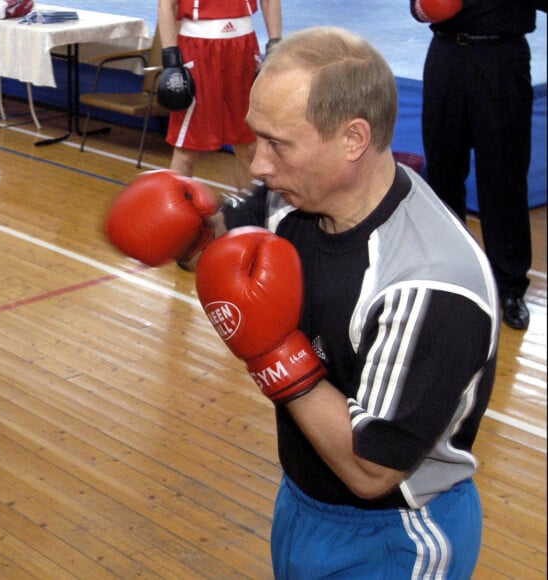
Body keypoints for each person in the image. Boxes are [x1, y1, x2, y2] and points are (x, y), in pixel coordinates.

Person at [106, 27, 500, 578]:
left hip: (396, 534)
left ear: (353, 139)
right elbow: (224, 253)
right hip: (302, 501)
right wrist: (189, 228)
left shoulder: (429, 283)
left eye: (279, 144)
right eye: (257, 139)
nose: (258, 166)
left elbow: (371, 471)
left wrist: (272, 352)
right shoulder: (292, 201)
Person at [411, 0, 548, 330]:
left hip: (501, 57)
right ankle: (451, 277)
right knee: (443, 172)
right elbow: (416, 8)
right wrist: (424, 8)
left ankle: (509, 287)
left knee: (505, 175)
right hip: (446, 55)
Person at [156, 0, 282, 193]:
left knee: (248, 145)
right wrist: (170, 58)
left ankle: (247, 215)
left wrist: (275, 43)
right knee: (187, 148)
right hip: (198, 49)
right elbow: (166, 4)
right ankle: (174, 213)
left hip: (243, 47)